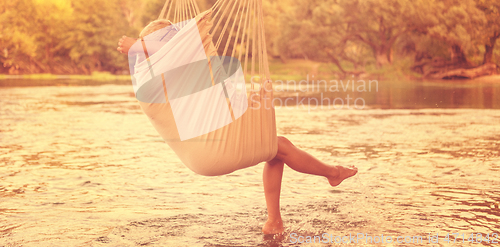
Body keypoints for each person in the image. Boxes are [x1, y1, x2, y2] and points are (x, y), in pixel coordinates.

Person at [117, 33, 358, 235]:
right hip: (210, 153)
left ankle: (274, 222)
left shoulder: (161, 82)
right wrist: (139, 46)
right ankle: (332, 174)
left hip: (203, 154)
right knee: (279, 146)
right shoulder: (159, 81)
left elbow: (214, 96)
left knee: (276, 149)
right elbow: (189, 49)